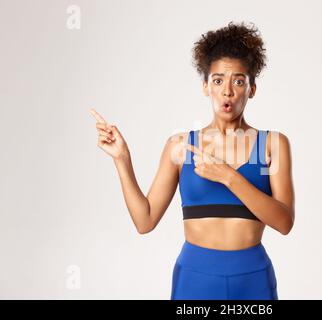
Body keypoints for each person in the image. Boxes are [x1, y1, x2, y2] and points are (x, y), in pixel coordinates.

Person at [89, 21, 295, 300]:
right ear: (205, 87)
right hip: (195, 277)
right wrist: (122, 159)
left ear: (252, 89)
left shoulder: (273, 144)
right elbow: (145, 221)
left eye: (238, 81)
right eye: (218, 80)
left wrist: (228, 176)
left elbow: (284, 223)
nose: (228, 91)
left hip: (253, 278)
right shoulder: (180, 146)